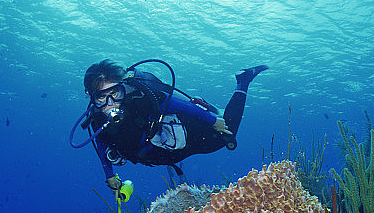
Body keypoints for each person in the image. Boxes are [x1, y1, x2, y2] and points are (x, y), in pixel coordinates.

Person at [77, 59, 268, 192]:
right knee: (220, 138)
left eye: (116, 93)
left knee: (227, 135)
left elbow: (176, 104)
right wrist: (109, 175)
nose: (111, 103)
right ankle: (209, 107)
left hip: (181, 133)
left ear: (122, 86)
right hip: (160, 153)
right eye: (102, 97)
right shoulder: (95, 118)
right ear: (89, 95)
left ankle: (242, 81)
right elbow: (101, 143)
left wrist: (212, 121)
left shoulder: (139, 97)